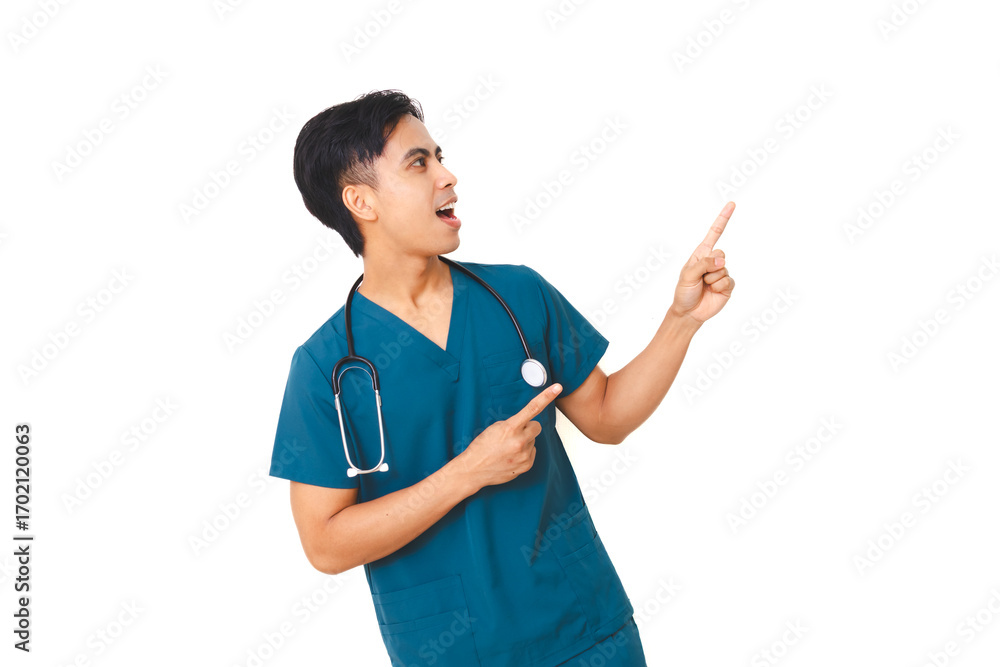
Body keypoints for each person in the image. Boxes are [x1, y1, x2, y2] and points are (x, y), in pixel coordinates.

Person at [269, 89, 736, 666]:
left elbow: (607, 417)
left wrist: (682, 320)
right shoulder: (327, 367)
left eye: (440, 157)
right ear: (361, 201)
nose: (448, 176)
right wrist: (467, 472)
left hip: (586, 631)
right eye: (419, 163)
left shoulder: (517, 295)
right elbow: (325, 544)